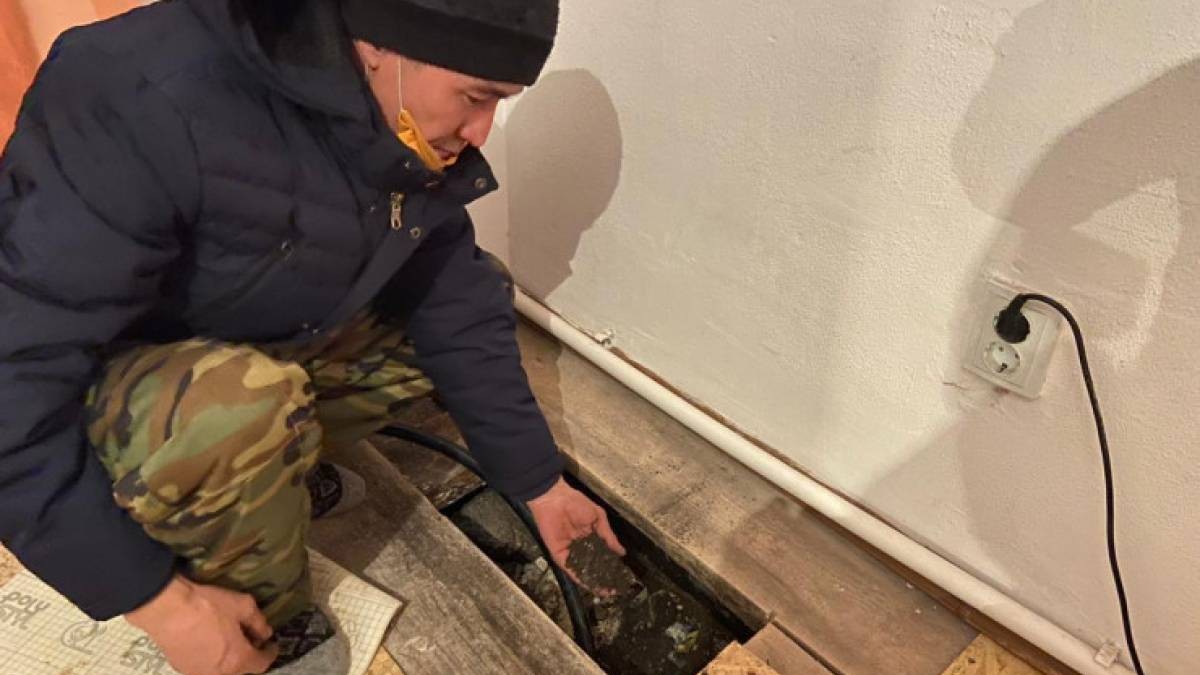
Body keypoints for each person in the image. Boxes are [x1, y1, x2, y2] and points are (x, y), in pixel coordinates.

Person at [0, 0, 625, 672]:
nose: (480, 132)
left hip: (219, 341)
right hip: (86, 399)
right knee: (237, 411)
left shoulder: (389, 112)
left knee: (471, 299)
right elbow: (12, 384)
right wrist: (158, 600)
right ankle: (259, 618)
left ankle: (267, 474)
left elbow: (454, 295)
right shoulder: (136, 95)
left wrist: (539, 484)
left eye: (500, 102)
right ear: (382, 43)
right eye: (475, 97)